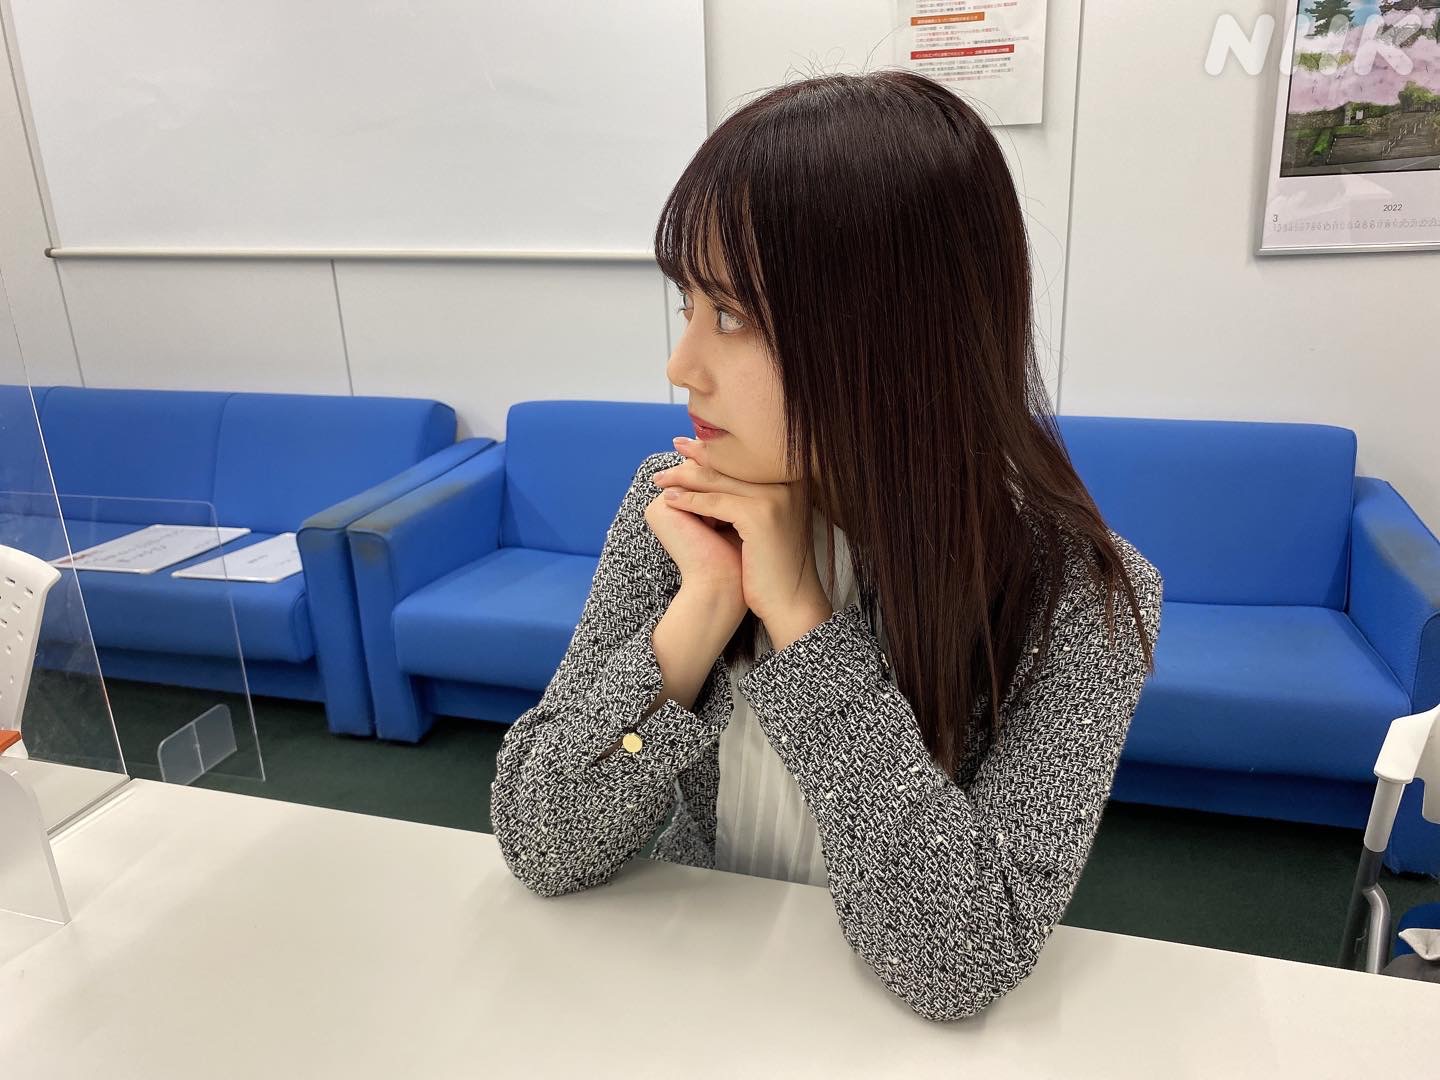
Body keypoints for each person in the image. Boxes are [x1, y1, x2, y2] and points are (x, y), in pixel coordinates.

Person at [490, 69, 1164, 1022]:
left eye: (732, 316)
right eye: (688, 307)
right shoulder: (678, 505)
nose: (681, 365)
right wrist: (700, 613)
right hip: (692, 1001)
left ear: (893, 335)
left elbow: (958, 965)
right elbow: (541, 841)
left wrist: (805, 630)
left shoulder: (1079, 596)